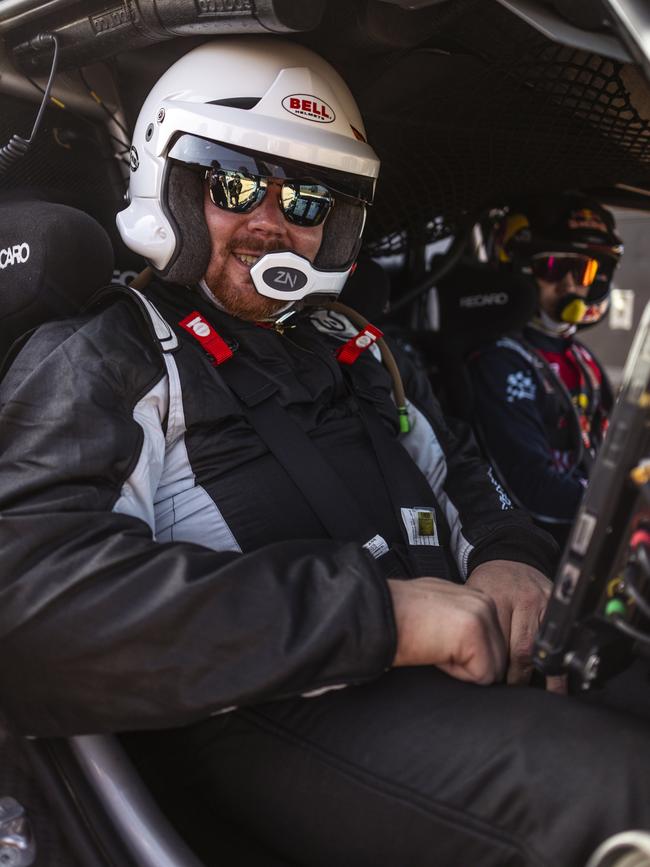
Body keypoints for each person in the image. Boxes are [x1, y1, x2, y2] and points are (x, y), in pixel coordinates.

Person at [0, 38, 649, 867]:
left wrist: (507, 558)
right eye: (234, 183)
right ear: (170, 180)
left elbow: (470, 478)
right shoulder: (112, 352)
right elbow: (32, 605)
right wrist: (385, 614)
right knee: (621, 794)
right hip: (256, 709)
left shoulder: (356, 346)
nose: (272, 221)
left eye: (308, 199)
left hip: (450, 680)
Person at [468, 193, 622, 548]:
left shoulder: (583, 360)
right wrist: (619, 509)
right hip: (538, 547)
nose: (570, 285)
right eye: (553, 267)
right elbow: (533, 488)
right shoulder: (501, 360)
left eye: (585, 270)